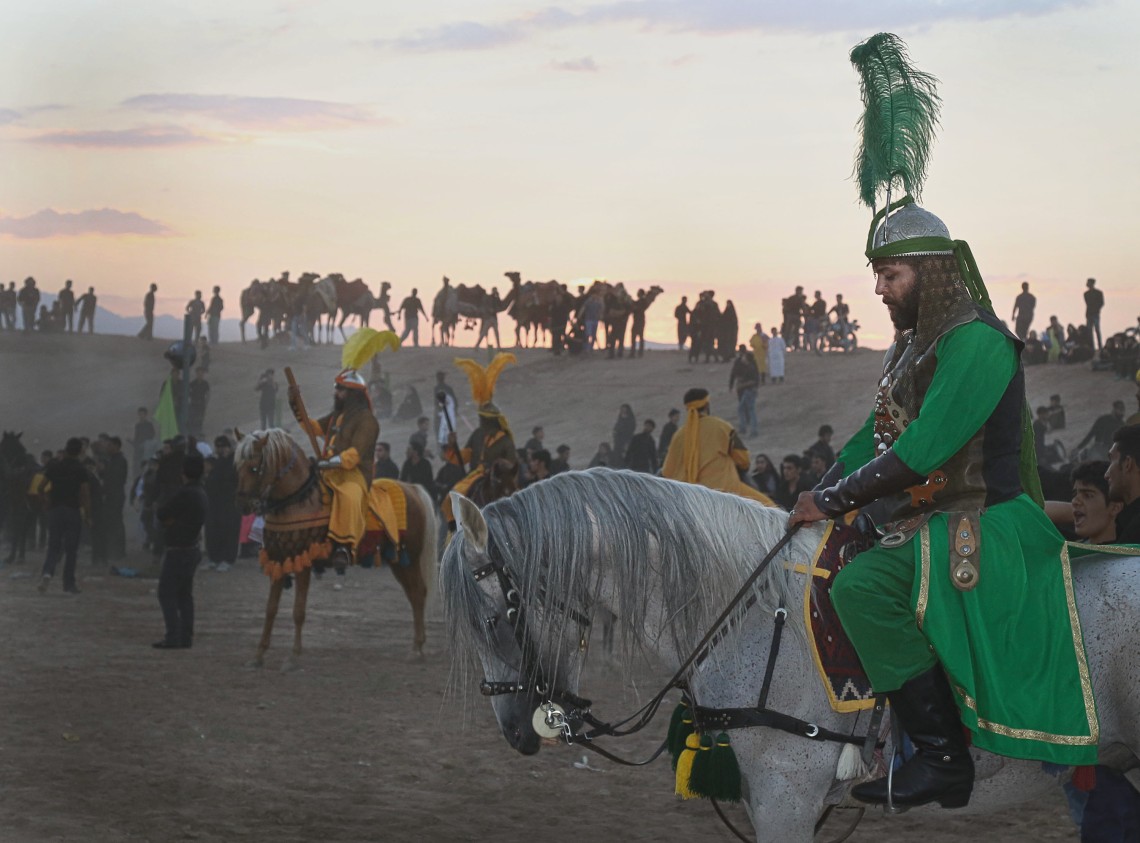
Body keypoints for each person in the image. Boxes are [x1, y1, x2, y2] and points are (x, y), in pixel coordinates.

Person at [790, 42, 1099, 806]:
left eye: (888, 276)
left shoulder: (978, 343)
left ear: (927, 272)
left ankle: (941, 756)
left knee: (862, 588)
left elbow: (924, 449)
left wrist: (835, 501)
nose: (880, 290)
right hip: (933, 516)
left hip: (984, 519)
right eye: (876, 277)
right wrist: (818, 490)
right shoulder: (912, 352)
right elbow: (875, 436)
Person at [289, 367, 380, 567]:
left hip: (353, 475)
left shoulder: (367, 420)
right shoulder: (336, 416)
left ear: (353, 394)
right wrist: (296, 404)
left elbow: (354, 454)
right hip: (328, 471)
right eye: (336, 388)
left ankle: (343, 547)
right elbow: (312, 428)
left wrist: (327, 462)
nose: (336, 393)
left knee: (348, 495)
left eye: (340, 389)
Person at [661, 388, 775, 505]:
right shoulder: (722, 427)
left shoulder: (678, 435)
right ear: (706, 405)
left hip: (687, 498)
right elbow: (743, 460)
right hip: (725, 492)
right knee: (771, 508)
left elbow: (667, 472)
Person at [153, 452, 209, 648]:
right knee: (184, 594)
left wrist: (170, 521)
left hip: (178, 549)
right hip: (192, 548)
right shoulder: (201, 492)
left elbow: (162, 514)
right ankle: (185, 636)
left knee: (166, 593)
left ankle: (173, 636)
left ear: (183, 473)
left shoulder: (185, 493)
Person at [37, 438, 91, 595]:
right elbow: (85, 494)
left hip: (55, 511)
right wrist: (88, 515)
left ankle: (47, 573)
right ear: (80, 451)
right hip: (72, 511)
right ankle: (68, 584)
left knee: (53, 546)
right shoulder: (81, 470)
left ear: (66, 450)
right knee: (71, 549)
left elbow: (40, 487)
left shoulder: (54, 467)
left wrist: (46, 501)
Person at [204, 437, 240, 571]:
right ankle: (214, 558)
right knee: (214, 531)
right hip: (214, 503)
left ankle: (228, 559)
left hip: (230, 503)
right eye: (219, 447)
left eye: (224, 447)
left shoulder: (236, 463)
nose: (222, 450)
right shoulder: (217, 462)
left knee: (229, 532)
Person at [1106, 424, 1140, 542]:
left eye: (1112, 460)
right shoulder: (1126, 523)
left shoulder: (1135, 531)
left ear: (1127, 463)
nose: (1106, 475)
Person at [728, 344, 760, 437]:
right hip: (746, 390)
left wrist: (740, 385)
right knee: (743, 408)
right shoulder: (746, 364)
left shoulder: (750, 367)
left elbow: (753, 380)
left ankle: (751, 430)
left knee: (749, 409)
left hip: (748, 391)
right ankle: (744, 427)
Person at [611, 404, 636, 469]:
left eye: (624, 408)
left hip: (626, 438)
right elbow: (617, 426)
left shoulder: (630, 418)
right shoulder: (620, 417)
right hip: (619, 439)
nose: (623, 410)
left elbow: (631, 427)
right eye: (622, 408)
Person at [187, 367, 210, 438]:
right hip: (193, 404)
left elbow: (208, 394)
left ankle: (198, 434)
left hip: (201, 405)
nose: (200, 375)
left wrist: (205, 404)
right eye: (198, 373)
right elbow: (188, 394)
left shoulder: (205, 384)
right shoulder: (192, 384)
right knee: (192, 420)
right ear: (196, 374)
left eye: (201, 373)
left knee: (200, 420)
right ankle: (192, 434)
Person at [1084, 277, 1104, 354]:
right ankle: (1091, 346)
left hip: (1095, 313)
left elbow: (1101, 303)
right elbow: (1088, 303)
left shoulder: (1099, 293)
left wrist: (1097, 309)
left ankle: (1100, 346)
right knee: (1089, 331)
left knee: (1097, 330)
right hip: (1089, 314)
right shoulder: (1086, 294)